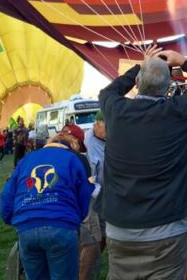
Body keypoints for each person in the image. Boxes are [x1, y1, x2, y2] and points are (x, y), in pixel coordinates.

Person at [98, 46, 187, 280]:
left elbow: (108, 91)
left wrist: (142, 64)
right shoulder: (177, 111)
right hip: (166, 230)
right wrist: (184, 61)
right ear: (168, 86)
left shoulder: (115, 109)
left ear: (138, 82)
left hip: (120, 230)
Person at [0, 129, 93, 280]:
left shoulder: (27, 160)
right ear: (72, 146)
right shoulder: (72, 159)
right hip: (61, 226)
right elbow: (84, 194)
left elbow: (7, 194)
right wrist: (76, 218)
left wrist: (11, 218)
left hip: (27, 227)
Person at [79, 112, 107, 280]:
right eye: (107, 127)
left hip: (106, 197)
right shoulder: (86, 144)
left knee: (104, 236)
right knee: (92, 241)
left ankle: (90, 270)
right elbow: (86, 180)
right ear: (97, 124)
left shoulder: (110, 139)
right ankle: (82, 276)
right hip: (89, 198)